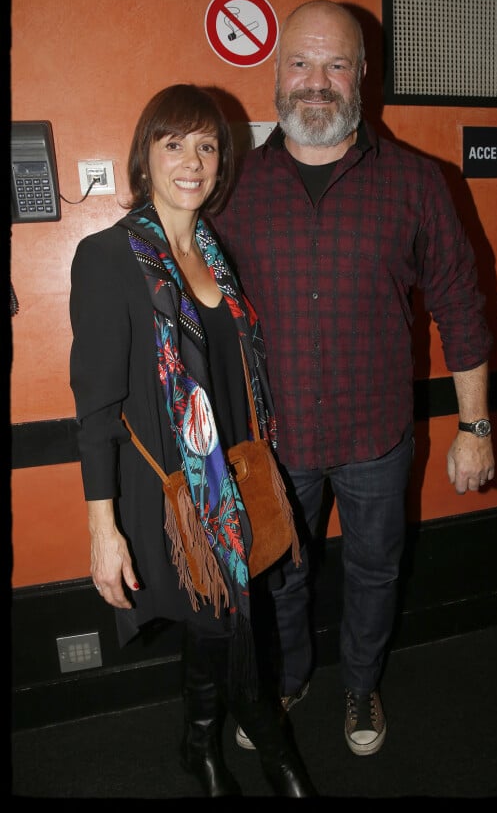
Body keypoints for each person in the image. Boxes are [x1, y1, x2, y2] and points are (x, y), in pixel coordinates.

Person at [214, 0, 495, 758]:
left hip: (378, 438)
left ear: (362, 76)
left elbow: (462, 309)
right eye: (300, 63)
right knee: (281, 579)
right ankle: (290, 676)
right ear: (276, 75)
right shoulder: (230, 188)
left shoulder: (417, 182)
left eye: (336, 63)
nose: (316, 81)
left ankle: (361, 682)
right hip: (276, 444)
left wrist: (474, 428)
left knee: (376, 572)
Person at [69, 83, 317, 797]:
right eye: (174, 142)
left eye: (207, 145)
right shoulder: (108, 256)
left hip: (233, 477)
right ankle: (271, 747)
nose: (192, 160)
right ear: (145, 158)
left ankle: (198, 743)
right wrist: (102, 530)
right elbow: (95, 407)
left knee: (222, 620)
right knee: (224, 618)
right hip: (171, 492)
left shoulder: (216, 251)